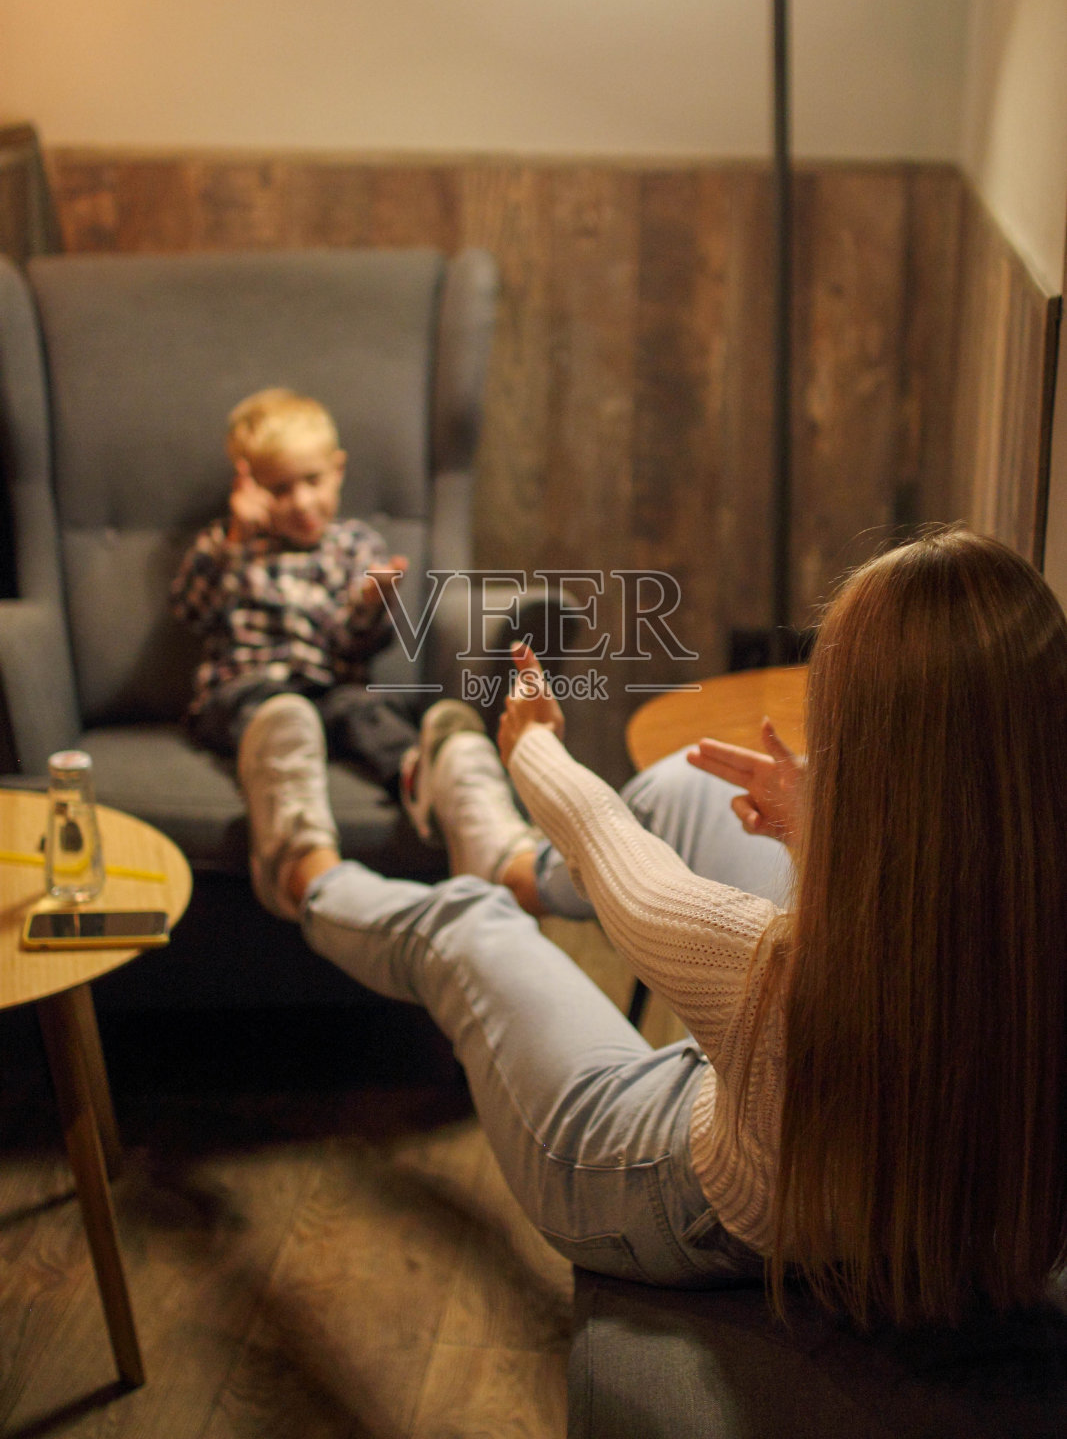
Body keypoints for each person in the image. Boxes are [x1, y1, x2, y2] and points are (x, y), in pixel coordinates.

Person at [235, 526, 1067, 1328]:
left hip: (658, 1189)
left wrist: (532, 749)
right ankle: (513, 863)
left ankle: (303, 870)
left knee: (466, 925)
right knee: (685, 790)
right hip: (813, 1142)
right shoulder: (1026, 924)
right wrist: (813, 814)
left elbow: (617, 859)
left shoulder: (781, 979)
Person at [170, 389, 418, 907]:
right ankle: (298, 849)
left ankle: (425, 776)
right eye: (279, 489)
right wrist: (235, 542)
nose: (301, 503)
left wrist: (372, 605)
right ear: (249, 486)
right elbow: (190, 613)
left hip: (328, 693)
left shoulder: (355, 547)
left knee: (370, 708)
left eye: (312, 481)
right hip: (244, 693)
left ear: (338, 470)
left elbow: (355, 649)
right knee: (278, 712)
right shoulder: (229, 543)